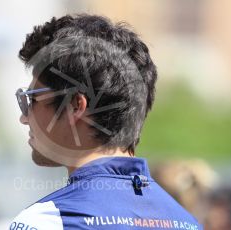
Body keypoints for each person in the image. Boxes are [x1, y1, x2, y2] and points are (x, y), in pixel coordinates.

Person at [11, 14, 202, 229]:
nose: (24, 117)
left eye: (32, 99)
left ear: (75, 106)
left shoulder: (46, 221)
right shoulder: (187, 222)